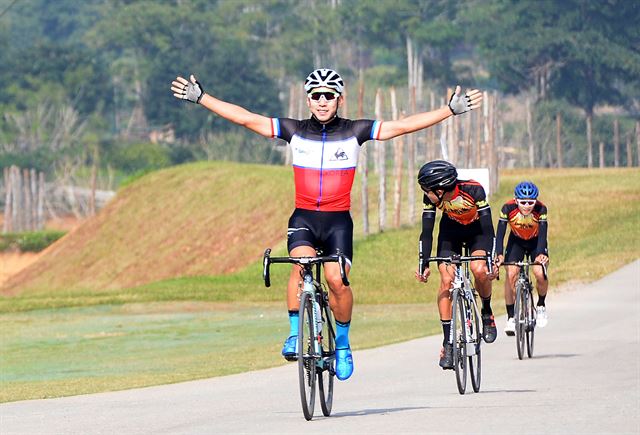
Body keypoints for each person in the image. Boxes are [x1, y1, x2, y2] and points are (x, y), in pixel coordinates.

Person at [171, 69, 482, 380]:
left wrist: (449, 110)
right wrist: (202, 98)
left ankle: (343, 345)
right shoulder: (293, 129)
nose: (322, 101)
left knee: (336, 280)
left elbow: (402, 126)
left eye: (329, 95)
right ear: (308, 100)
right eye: (316, 95)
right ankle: (295, 333)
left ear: (339, 99)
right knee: (300, 263)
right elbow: (246, 118)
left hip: (337, 222)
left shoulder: (355, 130)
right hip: (304, 217)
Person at [415, 160, 498, 370]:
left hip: (477, 232)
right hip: (450, 232)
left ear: (440, 190)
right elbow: (427, 232)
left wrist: (492, 258)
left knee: (479, 270)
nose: (425, 193)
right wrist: (423, 261)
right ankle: (448, 342)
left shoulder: (474, 189)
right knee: (446, 280)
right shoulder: (431, 198)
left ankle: (487, 312)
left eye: (427, 189)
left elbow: (488, 228)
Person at [495, 181, 549, 335]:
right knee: (511, 274)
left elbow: (543, 233)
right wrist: (498, 253)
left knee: (539, 273)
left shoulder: (541, 209)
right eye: (523, 202)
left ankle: (540, 305)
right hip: (516, 241)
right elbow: (500, 233)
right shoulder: (507, 208)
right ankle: (511, 317)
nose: (527, 206)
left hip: (536, 242)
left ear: (535, 201)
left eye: (530, 202)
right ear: (516, 200)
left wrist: (541, 254)